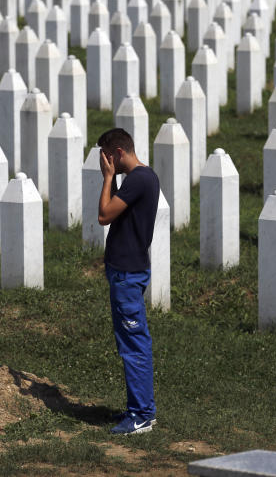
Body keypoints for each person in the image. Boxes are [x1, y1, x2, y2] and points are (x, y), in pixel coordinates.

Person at [97, 127, 160, 435]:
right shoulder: (140, 178)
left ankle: (141, 414)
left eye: (106, 157)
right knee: (133, 343)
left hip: (128, 275)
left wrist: (108, 178)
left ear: (119, 154)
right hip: (126, 271)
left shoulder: (138, 179)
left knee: (134, 347)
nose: (103, 162)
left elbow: (104, 215)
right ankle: (141, 409)